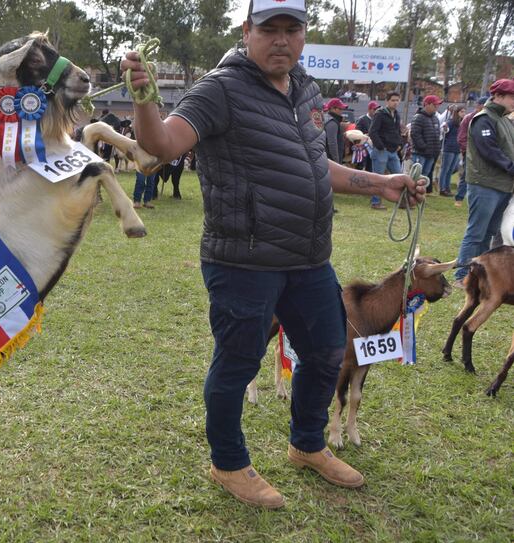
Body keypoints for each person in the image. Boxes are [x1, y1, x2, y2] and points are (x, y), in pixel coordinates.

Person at [120, 0, 425, 509]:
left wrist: (380, 182)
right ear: (247, 32)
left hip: (307, 258)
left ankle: (307, 445)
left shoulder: (304, 89)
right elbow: (162, 144)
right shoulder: (219, 88)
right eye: (270, 29)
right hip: (244, 260)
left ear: (304, 35)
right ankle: (228, 463)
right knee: (238, 365)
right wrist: (145, 98)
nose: (281, 39)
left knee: (328, 352)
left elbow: (312, 163)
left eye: (292, 29)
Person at [453, 79, 514, 287]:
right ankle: (462, 275)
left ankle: (478, 273)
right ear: (498, 96)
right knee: (476, 232)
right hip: (485, 184)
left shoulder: (504, 119)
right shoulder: (484, 118)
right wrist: (511, 166)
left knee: (489, 232)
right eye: (512, 96)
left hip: (502, 185)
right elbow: (488, 150)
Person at [455, 97, 487, 207]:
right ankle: (459, 198)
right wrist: (469, 151)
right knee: (467, 176)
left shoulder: (489, 118)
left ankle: (477, 200)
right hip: (469, 154)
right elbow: (461, 138)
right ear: (478, 106)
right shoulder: (468, 118)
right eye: (484, 105)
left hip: (485, 155)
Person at [410, 94, 442, 193]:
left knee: (425, 177)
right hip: (420, 153)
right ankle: (410, 193)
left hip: (431, 154)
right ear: (427, 104)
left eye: (437, 105)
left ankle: (419, 195)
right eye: (434, 105)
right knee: (416, 176)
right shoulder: (418, 117)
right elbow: (415, 134)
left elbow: (437, 135)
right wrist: (423, 147)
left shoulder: (435, 118)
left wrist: (436, 150)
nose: (437, 107)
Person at [437, 104, 465, 196]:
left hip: (456, 148)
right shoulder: (451, 121)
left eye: (464, 111)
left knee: (451, 169)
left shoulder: (461, 122)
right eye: (461, 112)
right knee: (445, 168)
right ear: (457, 113)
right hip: (449, 148)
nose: (463, 113)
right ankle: (442, 188)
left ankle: (447, 187)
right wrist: (445, 128)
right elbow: (445, 128)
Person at [353, 100, 379, 173]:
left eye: (377, 109)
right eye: (374, 109)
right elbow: (357, 132)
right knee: (360, 167)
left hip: (374, 147)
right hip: (363, 147)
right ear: (369, 109)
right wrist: (364, 135)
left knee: (371, 167)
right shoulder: (362, 119)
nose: (376, 111)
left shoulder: (377, 119)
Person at [323, 98, 347, 164]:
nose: (342, 111)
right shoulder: (332, 122)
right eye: (340, 109)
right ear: (333, 109)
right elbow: (332, 143)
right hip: (331, 160)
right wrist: (336, 161)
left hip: (328, 159)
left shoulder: (329, 119)